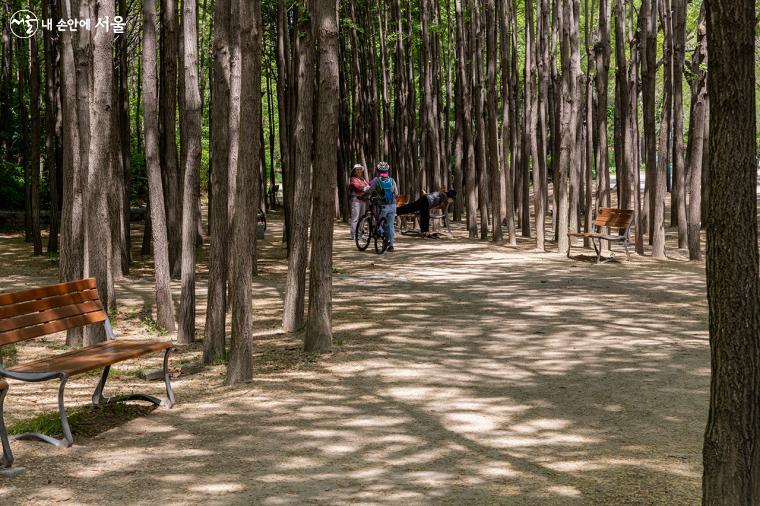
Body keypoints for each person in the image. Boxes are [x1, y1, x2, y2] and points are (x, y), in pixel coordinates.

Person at [364, 162, 399, 251]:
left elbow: (370, 190)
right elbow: (397, 193)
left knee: (379, 223)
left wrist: (363, 196)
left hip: (382, 206)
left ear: (378, 171)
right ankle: (391, 245)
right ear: (387, 171)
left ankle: (383, 237)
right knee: (391, 225)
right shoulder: (392, 180)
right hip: (392, 206)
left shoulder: (377, 180)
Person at [349, 164, 369, 240]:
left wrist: (366, 188)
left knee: (362, 218)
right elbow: (358, 187)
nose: (359, 171)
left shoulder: (362, 179)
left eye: (360, 169)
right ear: (354, 171)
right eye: (357, 169)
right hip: (356, 200)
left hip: (363, 200)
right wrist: (365, 188)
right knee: (355, 218)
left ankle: (360, 234)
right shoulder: (353, 179)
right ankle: (354, 234)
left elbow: (368, 187)